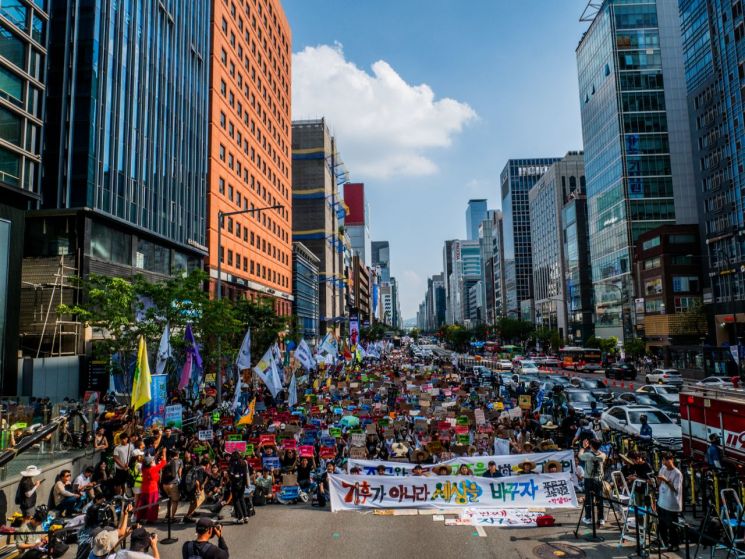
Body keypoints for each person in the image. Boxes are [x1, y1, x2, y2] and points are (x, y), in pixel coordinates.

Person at [657, 452, 682, 552]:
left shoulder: (677, 473)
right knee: (662, 524)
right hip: (662, 502)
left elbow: (676, 489)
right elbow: (658, 482)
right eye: (663, 461)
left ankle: (675, 545)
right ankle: (664, 542)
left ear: (671, 460)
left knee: (672, 527)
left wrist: (666, 480)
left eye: (665, 461)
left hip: (671, 504)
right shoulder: (663, 468)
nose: (664, 463)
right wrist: (658, 480)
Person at [579, 439, 606, 527]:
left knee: (588, 499)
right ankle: (601, 519)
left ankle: (588, 518)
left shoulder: (588, 455)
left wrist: (583, 447)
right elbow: (597, 452)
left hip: (589, 479)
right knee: (600, 499)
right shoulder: (603, 455)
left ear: (591, 446)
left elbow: (580, 456)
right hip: (599, 480)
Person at [137, 449, 167, 524]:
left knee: (143, 504)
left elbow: (148, 461)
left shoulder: (143, 468)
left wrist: (156, 455)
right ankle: (150, 519)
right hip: (152, 489)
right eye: (152, 461)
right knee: (152, 504)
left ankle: (140, 518)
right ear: (150, 464)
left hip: (144, 489)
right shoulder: (153, 469)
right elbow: (164, 462)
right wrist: (164, 452)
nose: (154, 462)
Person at [161, 450, 182, 522]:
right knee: (175, 501)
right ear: (177, 454)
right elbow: (179, 472)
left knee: (169, 499)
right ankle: (172, 517)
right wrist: (180, 479)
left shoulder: (168, 461)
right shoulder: (179, 461)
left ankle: (168, 514)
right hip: (173, 484)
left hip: (165, 484)